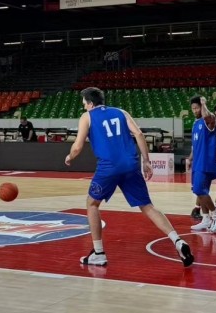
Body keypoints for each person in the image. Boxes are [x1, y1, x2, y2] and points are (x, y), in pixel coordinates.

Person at [65, 87, 193, 267]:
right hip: (131, 165)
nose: (84, 107)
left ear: (91, 103)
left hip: (109, 167)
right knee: (147, 206)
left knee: (92, 203)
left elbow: (77, 146)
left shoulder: (87, 117)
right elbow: (139, 134)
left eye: (84, 104)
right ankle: (177, 240)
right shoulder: (121, 112)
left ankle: (99, 253)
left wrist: (70, 156)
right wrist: (147, 161)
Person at [187, 96, 216, 233]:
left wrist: (203, 103)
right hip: (198, 162)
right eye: (193, 108)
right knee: (201, 190)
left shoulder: (208, 121)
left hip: (206, 162)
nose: (195, 110)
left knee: (199, 190)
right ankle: (206, 218)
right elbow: (195, 145)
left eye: (197, 107)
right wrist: (190, 159)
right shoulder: (195, 123)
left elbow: (208, 116)